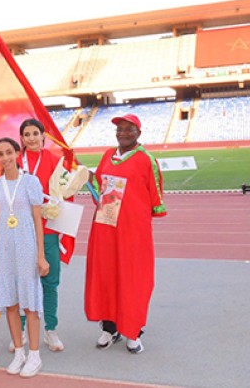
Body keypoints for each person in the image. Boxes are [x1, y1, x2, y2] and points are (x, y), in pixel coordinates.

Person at [85, 113, 166, 354]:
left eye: (129, 129)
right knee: (106, 276)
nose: (123, 132)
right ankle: (110, 328)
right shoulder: (107, 155)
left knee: (133, 278)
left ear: (138, 133)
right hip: (105, 227)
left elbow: (156, 200)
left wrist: (134, 217)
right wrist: (88, 179)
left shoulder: (146, 160)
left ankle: (133, 330)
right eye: (119, 128)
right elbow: (99, 188)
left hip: (132, 232)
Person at [0, 137, 48, 378]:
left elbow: (38, 220)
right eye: (0, 154)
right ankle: (19, 352)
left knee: (30, 304)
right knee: (10, 302)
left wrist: (41, 255)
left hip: (26, 247)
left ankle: (34, 354)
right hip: (4, 250)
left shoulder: (30, 182)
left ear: (17, 153)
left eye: (8, 152)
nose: (5, 158)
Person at [16, 118, 65, 352]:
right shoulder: (14, 162)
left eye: (35, 133)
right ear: (22, 139)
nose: (32, 138)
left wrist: (54, 205)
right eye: (27, 134)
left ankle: (50, 330)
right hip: (21, 231)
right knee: (23, 281)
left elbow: (65, 194)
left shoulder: (55, 162)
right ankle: (22, 329)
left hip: (47, 229)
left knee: (50, 281)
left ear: (43, 136)